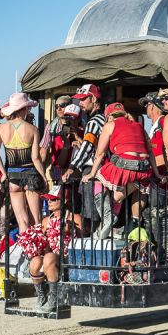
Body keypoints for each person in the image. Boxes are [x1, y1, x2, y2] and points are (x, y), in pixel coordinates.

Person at [81, 102, 160, 227]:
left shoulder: (110, 125)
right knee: (128, 191)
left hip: (125, 165)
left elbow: (100, 154)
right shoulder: (139, 125)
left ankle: (107, 218)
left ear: (110, 117)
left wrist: (91, 173)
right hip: (144, 168)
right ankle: (131, 222)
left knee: (97, 180)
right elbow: (150, 152)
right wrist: (157, 173)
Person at [0, 93, 47, 233]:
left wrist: (4, 173)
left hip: (12, 175)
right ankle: (36, 251)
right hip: (31, 174)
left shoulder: (0, 129)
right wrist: (43, 176)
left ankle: (26, 251)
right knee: (36, 220)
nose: (28, 111)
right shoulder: (32, 129)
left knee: (22, 222)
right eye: (27, 108)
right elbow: (35, 158)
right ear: (22, 110)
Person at [22, 185, 82, 312]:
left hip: (67, 258)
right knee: (35, 262)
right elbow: (44, 245)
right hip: (51, 258)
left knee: (49, 257)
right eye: (48, 199)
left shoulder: (75, 218)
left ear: (64, 200)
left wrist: (70, 231)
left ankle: (54, 297)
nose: (49, 202)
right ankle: (42, 296)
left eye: (54, 199)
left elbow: (82, 242)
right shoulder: (45, 221)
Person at [62, 84, 108, 232]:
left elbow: (87, 147)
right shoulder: (104, 119)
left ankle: (94, 237)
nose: (80, 103)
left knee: (92, 211)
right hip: (104, 169)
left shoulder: (94, 122)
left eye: (83, 99)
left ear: (93, 99)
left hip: (96, 170)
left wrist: (71, 167)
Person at [46, 104, 83, 183]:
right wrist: (66, 145)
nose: (69, 121)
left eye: (72, 118)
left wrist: (79, 140)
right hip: (65, 183)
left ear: (78, 119)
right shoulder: (58, 139)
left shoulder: (85, 135)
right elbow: (56, 170)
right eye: (66, 118)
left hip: (82, 181)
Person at [39, 95, 72, 163]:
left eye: (62, 105)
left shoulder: (77, 124)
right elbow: (44, 149)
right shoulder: (51, 127)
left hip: (74, 166)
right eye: (56, 107)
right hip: (57, 167)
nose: (59, 109)